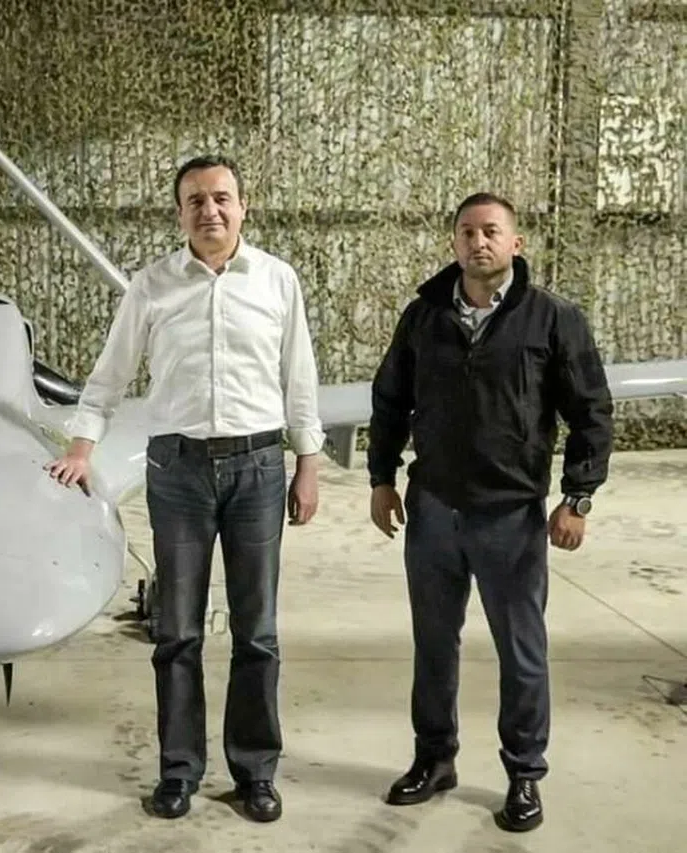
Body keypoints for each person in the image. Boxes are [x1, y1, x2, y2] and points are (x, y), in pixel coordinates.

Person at [46, 156, 324, 822]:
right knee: (177, 632)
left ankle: (255, 772)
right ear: (180, 213)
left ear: (243, 205)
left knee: (258, 632)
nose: (210, 210)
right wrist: (81, 446)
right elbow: (109, 375)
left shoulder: (278, 280)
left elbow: (300, 377)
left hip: (258, 467)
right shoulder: (152, 286)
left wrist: (308, 461)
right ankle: (178, 772)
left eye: (221, 197)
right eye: (195, 200)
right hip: (178, 472)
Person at [366, 192, 613, 833]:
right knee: (433, 645)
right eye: (467, 232)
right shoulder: (423, 317)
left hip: (510, 516)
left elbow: (591, 411)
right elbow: (389, 400)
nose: (479, 242)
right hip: (433, 511)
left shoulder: (553, 319)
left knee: (522, 652)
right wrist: (381, 478)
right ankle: (434, 759)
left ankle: (524, 775)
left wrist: (577, 497)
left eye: (491, 232)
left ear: (515, 243)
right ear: (454, 242)